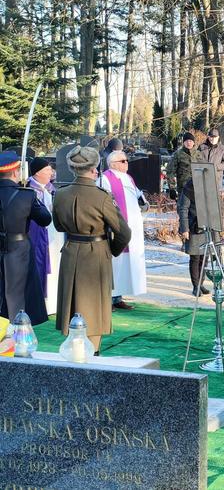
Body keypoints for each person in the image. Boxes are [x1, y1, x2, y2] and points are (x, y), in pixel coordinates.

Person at [53, 146, 131, 354]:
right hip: (96, 253)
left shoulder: (60, 194)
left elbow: (59, 226)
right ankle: (92, 355)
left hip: (71, 252)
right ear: (94, 168)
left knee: (72, 305)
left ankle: (75, 352)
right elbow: (124, 233)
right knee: (94, 310)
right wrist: (110, 250)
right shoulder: (102, 196)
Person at [0, 151, 51, 325]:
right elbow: (45, 218)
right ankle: (16, 337)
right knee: (17, 296)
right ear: (15, 172)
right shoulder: (26, 194)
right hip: (19, 248)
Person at [99, 150, 148, 310]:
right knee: (115, 261)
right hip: (117, 226)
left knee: (126, 263)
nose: (126, 163)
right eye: (123, 161)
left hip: (132, 226)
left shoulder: (128, 178)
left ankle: (118, 296)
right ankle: (107, 298)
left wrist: (144, 203)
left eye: (126, 160)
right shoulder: (105, 178)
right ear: (113, 163)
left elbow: (138, 194)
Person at [27, 158, 63, 315]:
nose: (51, 172)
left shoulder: (50, 188)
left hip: (53, 233)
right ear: (38, 173)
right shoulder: (29, 189)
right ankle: (39, 303)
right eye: (48, 169)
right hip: (37, 233)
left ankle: (54, 303)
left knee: (54, 264)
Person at [177, 179, 219, 296]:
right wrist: (184, 228)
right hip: (194, 227)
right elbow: (183, 208)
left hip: (208, 226)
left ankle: (201, 283)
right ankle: (195, 286)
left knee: (204, 257)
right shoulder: (189, 187)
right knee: (195, 257)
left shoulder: (210, 185)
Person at [166, 132, 202, 199]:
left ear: (193, 142)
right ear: (183, 142)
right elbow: (170, 171)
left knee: (195, 209)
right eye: (186, 141)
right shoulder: (177, 154)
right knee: (182, 208)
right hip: (183, 188)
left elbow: (205, 170)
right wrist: (172, 188)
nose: (189, 143)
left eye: (190, 141)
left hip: (197, 188)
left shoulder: (199, 154)